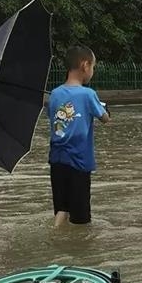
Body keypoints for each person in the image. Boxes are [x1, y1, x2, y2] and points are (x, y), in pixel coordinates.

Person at [47, 45, 110, 227]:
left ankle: (55, 233)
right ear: (85, 65)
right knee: (81, 219)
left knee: (62, 208)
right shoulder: (88, 94)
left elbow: (54, 119)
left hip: (57, 160)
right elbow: (105, 118)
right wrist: (105, 108)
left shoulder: (55, 94)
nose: (92, 71)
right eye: (93, 67)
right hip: (79, 162)